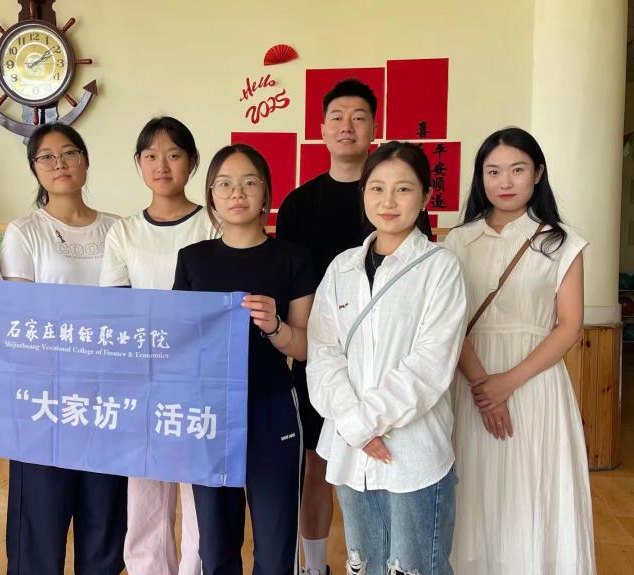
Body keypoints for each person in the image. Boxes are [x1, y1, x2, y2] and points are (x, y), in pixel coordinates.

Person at [275, 79, 430, 575]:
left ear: (373, 128)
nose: (347, 126)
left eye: (359, 117)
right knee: (319, 465)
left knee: (388, 462)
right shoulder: (298, 204)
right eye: (337, 117)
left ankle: (381, 562)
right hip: (325, 361)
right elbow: (289, 282)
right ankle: (314, 565)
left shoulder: (400, 203)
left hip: (390, 367)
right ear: (321, 129)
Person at [307, 142, 466, 575]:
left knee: (415, 566)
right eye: (377, 188)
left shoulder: (440, 267)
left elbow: (429, 365)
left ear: (425, 196)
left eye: (403, 189)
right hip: (350, 450)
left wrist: (363, 422)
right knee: (365, 563)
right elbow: (322, 354)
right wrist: (353, 422)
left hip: (411, 451)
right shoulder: (341, 268)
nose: (388, 201)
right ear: (363, 193)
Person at [445, 127, 595, 574]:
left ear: (538, 174)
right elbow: (448, 322)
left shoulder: (562, 241)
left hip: (535, 384)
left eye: (517, 169)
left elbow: (569, 326)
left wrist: (506, 383)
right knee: (475, 487)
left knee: (531, 485)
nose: (505, 181)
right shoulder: (456, 241)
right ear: (480, 177)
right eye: (493, 171)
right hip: (469, 381)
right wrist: (483, 386)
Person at [174, 144, 313, 574]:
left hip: (273, 409)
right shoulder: (192, 260)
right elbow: (179, 344)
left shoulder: (294, 258)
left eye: (249, 182)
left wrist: (275, 326)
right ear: (211, 195)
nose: (237, 193)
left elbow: (306, 347)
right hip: (210, 414)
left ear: (267, 193)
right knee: (216, 547)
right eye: (225, 184)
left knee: (275, 548)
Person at [0, 122, 127, 574]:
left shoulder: (119, 229)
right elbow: (20, 319)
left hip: (108, 394)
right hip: (46, 397)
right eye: (47, 157)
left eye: (70, 153)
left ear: (85, 161)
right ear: (34, 168)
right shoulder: (24, 231)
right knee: (39, 522)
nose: (60, 164)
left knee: (105, 520)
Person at [100, 116, 216, 575]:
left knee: (198, 489)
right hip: (141, 377)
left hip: (198, 377)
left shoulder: (212, 224)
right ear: (138, 163)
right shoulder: (124, 232)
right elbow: (116, 309)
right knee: (145, 488)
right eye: (151, 156)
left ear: (192, 162)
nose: (162, 165)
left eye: (173, 155)